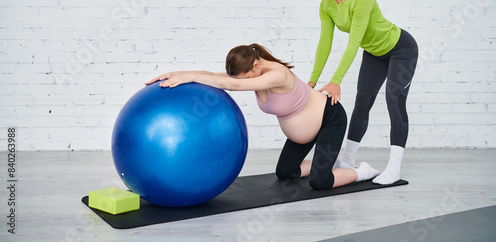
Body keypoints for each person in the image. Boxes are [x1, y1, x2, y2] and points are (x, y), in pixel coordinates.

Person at [145, 43, 379, 190]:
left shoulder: (279, 75)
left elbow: (231, 85)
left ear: (256, 65)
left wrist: (192, 78)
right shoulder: (252, 70)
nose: (243, 81)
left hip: (329, 119)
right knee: (285, 173)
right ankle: (330, 162)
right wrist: (181, 74)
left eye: (245, 77)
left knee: (320, 182)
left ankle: (362, 172)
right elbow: (221, 76)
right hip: (304, 134)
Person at [309, 0, 419, 185]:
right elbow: (324, 43)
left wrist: (336, 80)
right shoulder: (326, 5)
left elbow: (354, 42)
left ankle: (394, 167)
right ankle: (347, 160)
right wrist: (312, 81)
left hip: (401, 49)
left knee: (394, 99)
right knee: (362, 102)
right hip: (375, 53)